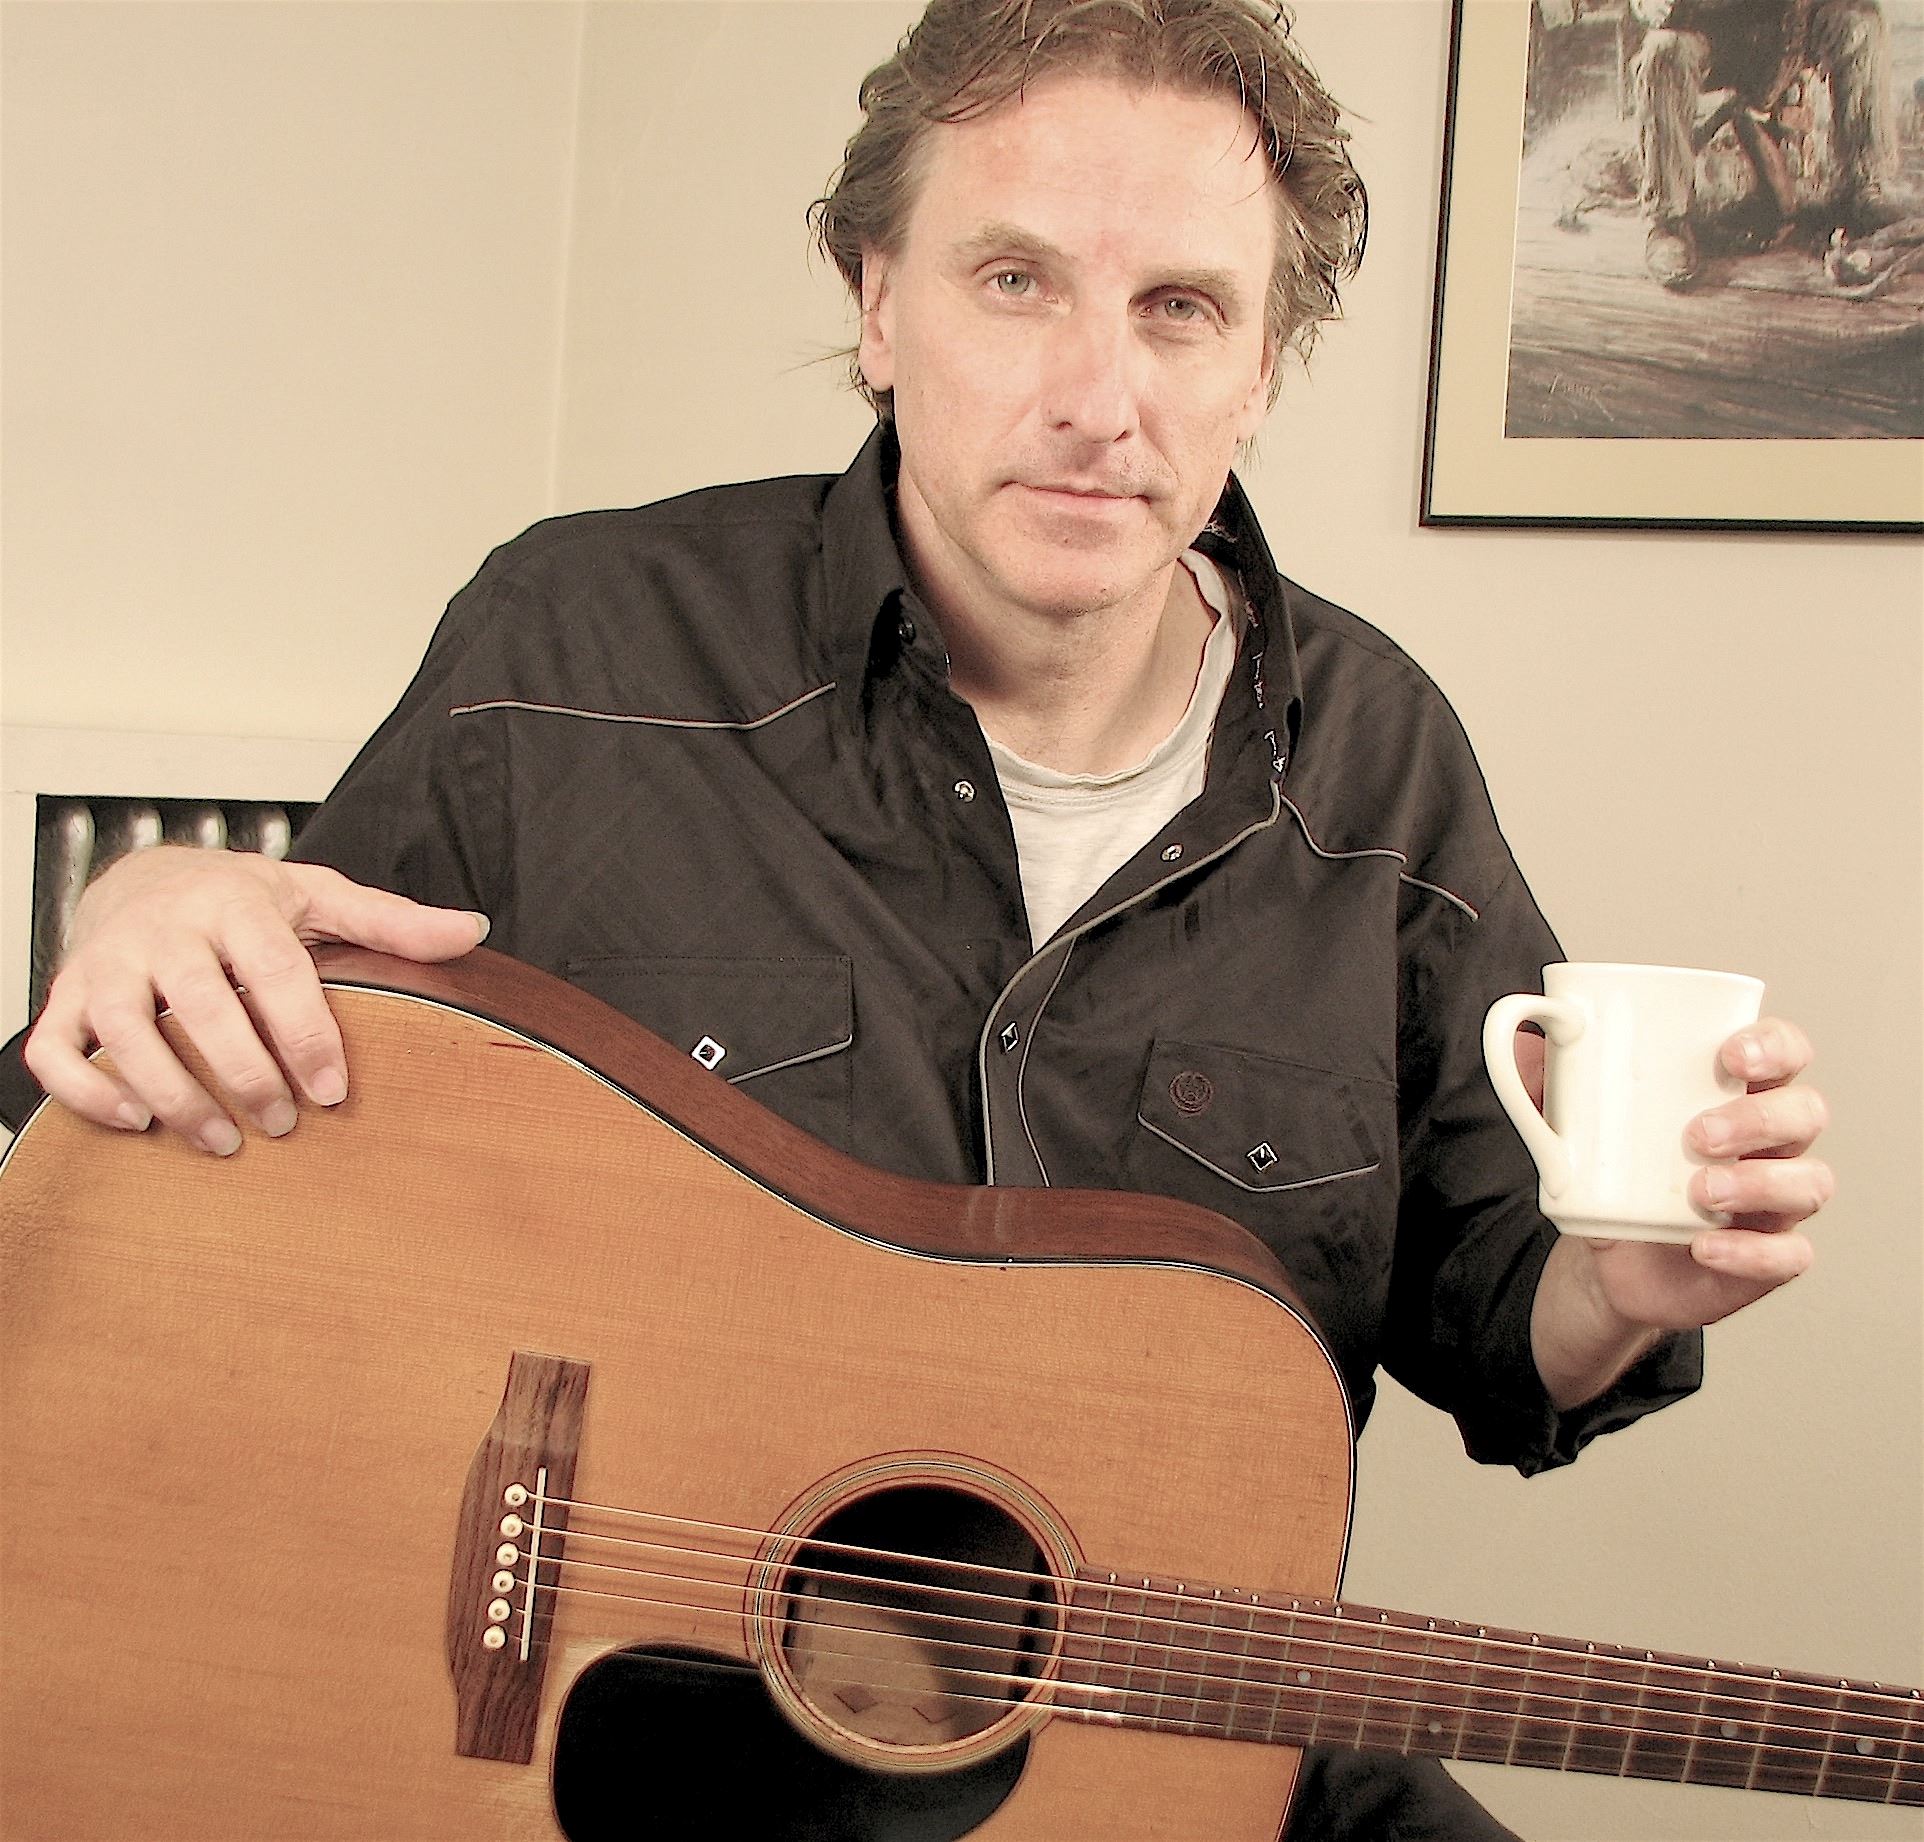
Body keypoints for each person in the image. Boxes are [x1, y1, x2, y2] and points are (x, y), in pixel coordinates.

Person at [20, 1, 1832, 1835]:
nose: (1093, 397)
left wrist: (1610, 1294)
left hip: (1151, 1757)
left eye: (1179, 309)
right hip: (634, 1781)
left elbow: (1495, 1314)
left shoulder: (1377, 768)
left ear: (1262, 365)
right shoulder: (570, 652)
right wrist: (153, 914)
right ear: (875, 301)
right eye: (1014, 279)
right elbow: (199, 1195)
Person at [1561, 0, 1904, 287]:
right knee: (1662, 52)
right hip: (1709, 27)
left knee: (1861, 23)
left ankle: (1862, 187)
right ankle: (1669, 220)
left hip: (1791, 22)